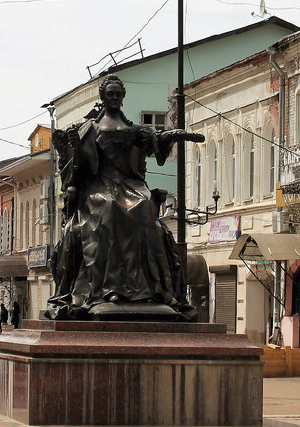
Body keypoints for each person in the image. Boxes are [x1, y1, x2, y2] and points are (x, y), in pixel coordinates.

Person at [45, 74, 203, 321]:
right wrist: (74, 147)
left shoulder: (134, 130)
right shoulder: (89, 129)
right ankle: (106, 290)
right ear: (103, 96)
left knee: (143, 206)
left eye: (119, 94)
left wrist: (172, 136)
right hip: (98, 187)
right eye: (111, 94)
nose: (115, 98)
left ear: (123, 96)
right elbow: (77, 170)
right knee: (108, 207)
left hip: (129, 185)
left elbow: (156, 146)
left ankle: (145, 291)